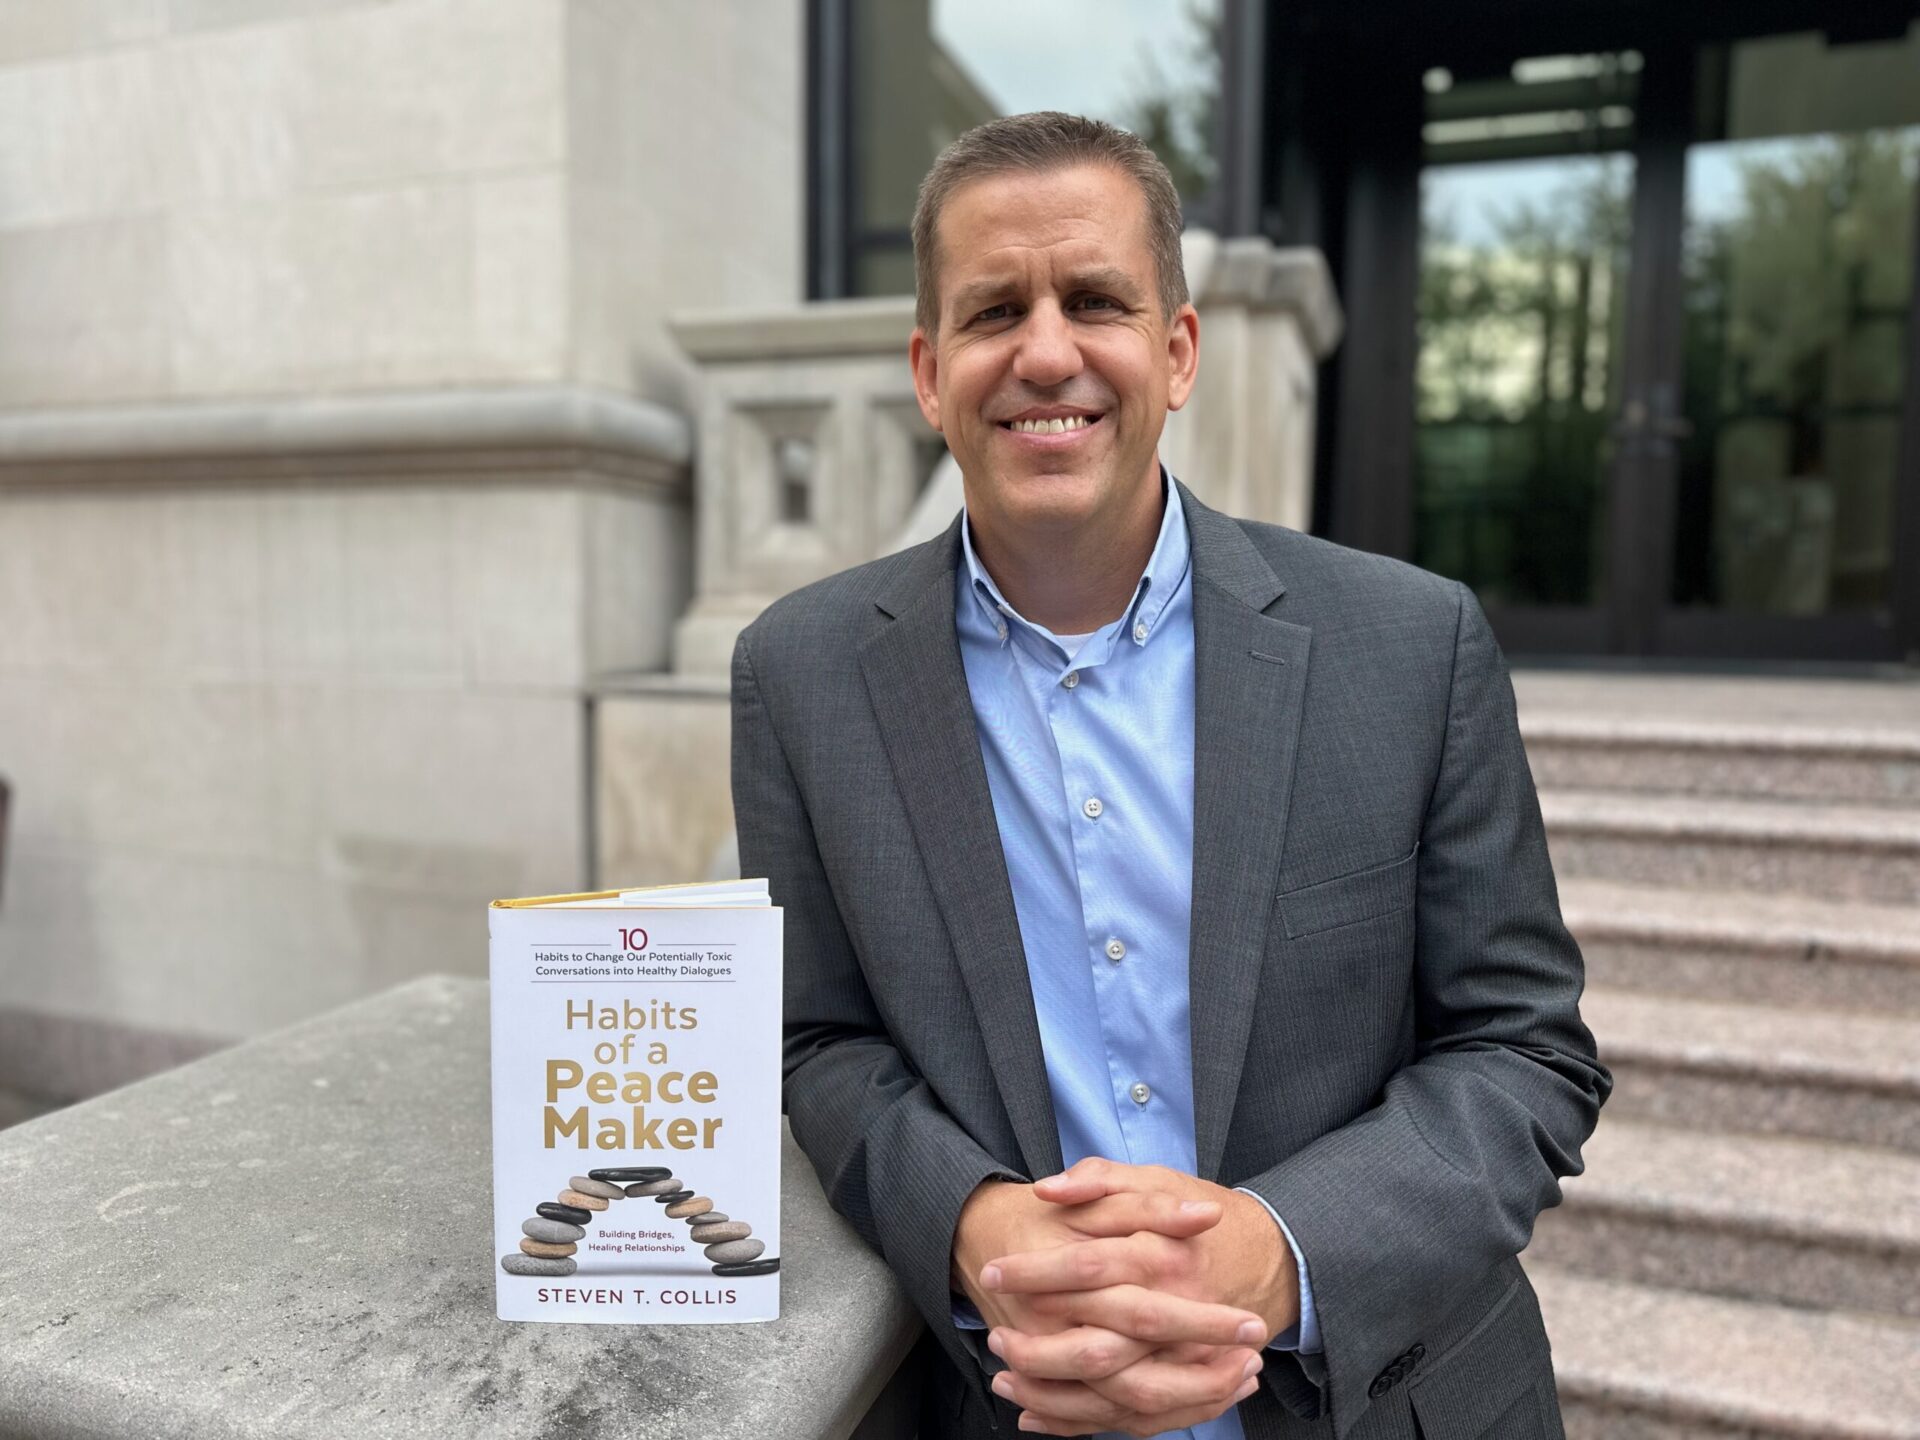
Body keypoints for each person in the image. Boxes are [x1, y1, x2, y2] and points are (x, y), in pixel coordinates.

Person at [731, 111, 1608, 1440]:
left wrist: (1277, 1251)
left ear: (1179, 349)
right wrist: (975, 1227)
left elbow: (1525, 1049)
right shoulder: (800, 676)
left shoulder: (1409, 647)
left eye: (1095, 300)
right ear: (928, 370)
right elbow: (817, 1040)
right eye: (991, 312)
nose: (1044, 352)